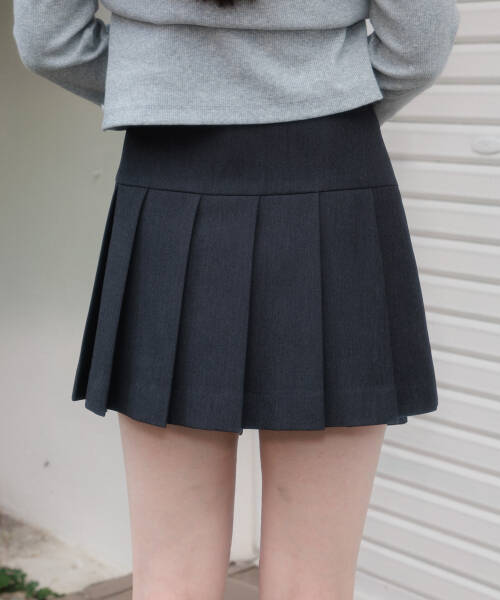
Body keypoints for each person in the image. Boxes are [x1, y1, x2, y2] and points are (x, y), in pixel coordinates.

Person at [12, 1, 460, 598]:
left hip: (169, 178)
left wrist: (161, 89)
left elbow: (48, 40)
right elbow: (420, 39)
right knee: (315, 579)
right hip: (333, 174)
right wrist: (321, 95)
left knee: (170, 575)